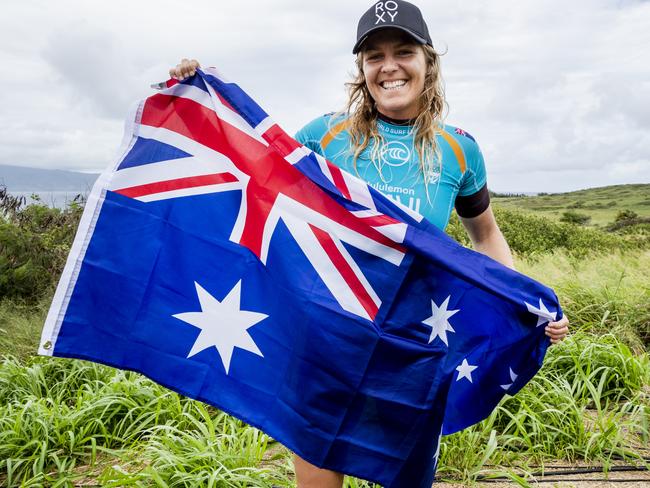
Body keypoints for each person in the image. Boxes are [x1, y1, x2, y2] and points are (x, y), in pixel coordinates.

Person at [169, 1, 570, 486]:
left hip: (412, 343)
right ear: (362, 70)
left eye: (403, 51)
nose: (389, 66)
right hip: (326, 337)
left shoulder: (460, 148)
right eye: (374, 56)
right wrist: (201, 100)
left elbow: (484, 234)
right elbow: (255, 179)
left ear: (428, 62)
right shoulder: (324, 136)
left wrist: (523, 299)